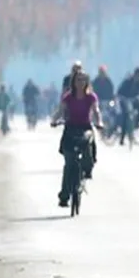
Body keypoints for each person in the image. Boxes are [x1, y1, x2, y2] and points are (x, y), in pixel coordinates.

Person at [51, 70, 103, 207]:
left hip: (85, 129)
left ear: (87, 82)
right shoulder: (68, 97)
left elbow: (96, 111)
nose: (80, 82)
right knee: (69, 164)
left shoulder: (91, 97)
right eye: (78, 80)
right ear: (73, 82)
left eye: (83, 80)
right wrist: (54, 120)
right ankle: (64, 196)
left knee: (88, 154)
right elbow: (60, 110)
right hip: (70, 129)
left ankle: (86, 171)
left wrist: (99, 122)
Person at [116, 66, 139, 145]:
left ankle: (136, 123)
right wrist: (123, 98)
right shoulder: (127, 81)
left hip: (132, 101)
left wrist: (137, 98)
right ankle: (122, 138)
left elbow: (138, 93)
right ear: (135, 74)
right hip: (124, 101)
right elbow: (119, 92)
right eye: (138, 75)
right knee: (125, 116)